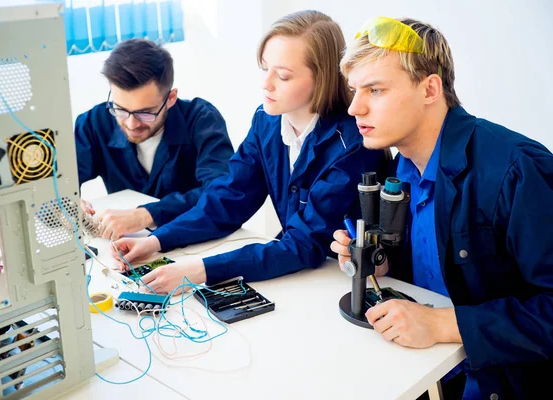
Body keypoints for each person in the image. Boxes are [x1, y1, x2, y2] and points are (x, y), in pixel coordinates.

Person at [331, 16, 553, 399]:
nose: (354, 108)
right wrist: (383, 263)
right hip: (422, 373)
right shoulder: (399, 169)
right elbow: (445, 269)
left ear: (430, 88)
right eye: (354, 91)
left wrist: (442, 325)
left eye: (376, 90)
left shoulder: (515, 169)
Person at [111, 10, 388, 293]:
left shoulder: (353, 143)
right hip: (299, 274)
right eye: (264, 68)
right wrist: (155, 241)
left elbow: (305, 244)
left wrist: (199, 270)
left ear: (322, 78)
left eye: (282, 76)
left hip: (353, 282)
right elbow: (229, 199)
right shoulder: (266, 121)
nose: (265, 84)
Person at [75, 39, 234, 240]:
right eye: (121, 110)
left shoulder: (201, 119)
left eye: (145, 113)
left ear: (171, 98)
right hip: (124, 248)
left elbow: (221, 193)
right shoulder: (93, 123)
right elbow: (54, 186)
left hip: (195, 242)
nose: (132, 124)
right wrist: (67, 203)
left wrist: (146, 215)